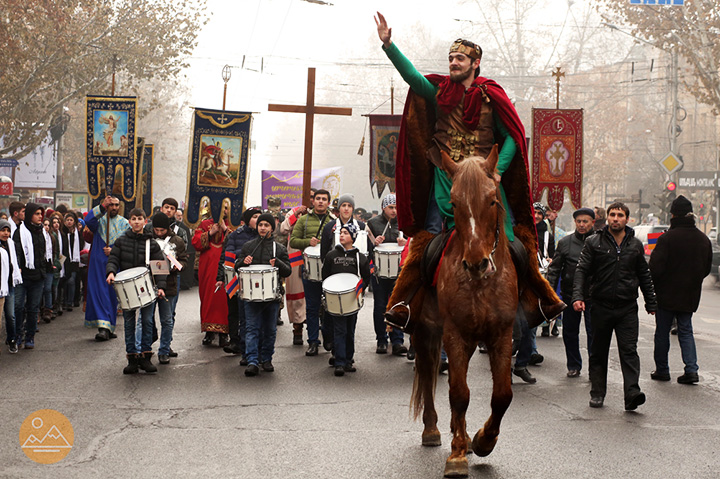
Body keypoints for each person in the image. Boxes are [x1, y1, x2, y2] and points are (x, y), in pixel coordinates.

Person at [375, 12, 564, 331]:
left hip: (486, 183)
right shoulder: (439, 92)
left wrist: (498, 171)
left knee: (515, 242)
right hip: (445, 181)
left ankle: (539, 298)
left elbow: (511, 139)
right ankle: (405, 303)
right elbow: (413, 78)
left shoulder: (492, 96)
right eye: (450, 58)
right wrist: (389, 45)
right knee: (426, 241)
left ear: (475, 63)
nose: (453, 62)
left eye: (459, 58)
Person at [572, 202, 656, 410]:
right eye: (612, 215)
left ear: (627, 219)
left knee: (629, 351)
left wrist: (650, 301)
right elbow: (581, 270)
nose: (615, 219)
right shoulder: (594, 242)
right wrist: (577, 296)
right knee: (598, 351)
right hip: (600, 305)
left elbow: (644, 274)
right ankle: (597, 393)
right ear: (607, 218)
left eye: (620, 215)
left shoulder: (635, 245)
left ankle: (632, 394)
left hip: (627, 307)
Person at [648, 196, 712, 385]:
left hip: (666, 294)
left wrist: (655, 288)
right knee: (686, 331)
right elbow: (706, 269)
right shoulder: (703, 239)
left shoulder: (667, 238)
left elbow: (655, 268)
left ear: (673, 215)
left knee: (662, 332)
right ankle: (691, 370)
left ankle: (662, 370)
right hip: (689, 294)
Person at [107, 208, 167, 374]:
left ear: (145, 221)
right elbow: (113, 258)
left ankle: (145, 357)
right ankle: (132, 358)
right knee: (128, 322)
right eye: (133, 219)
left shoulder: (151, 243)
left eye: (139, 218)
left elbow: (160, 266)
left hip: (145, 287)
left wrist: (161, 287)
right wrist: (111, 272)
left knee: (147, 321)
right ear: (129, 221)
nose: (136, 222)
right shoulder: (121, 241)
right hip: (126, 288)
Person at [237, 213, 291, 376]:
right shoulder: (248, 246)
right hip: (251, 296)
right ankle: (252, 361)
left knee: (269, 330)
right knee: (251, 328)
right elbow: (236, 266)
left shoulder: (279, 248)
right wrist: (242, 262)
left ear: (272, 229)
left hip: (271, 297)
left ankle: (266, 359)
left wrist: (278, 263)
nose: (263, 228)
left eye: (266, 225)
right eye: (260, 225)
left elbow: (288, 271)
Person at [547, 207, 596, 378]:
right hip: (569, 295)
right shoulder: (565, 243)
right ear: (575, 222)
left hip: (594, 296)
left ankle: (594, 368)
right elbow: (554, 270)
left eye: (585, 221)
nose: (582, 225)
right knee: (569, 333)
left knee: (594, 334)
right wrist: (551, 295)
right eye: (579, 221)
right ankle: (574, 365)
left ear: (592, 223)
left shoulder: (600, 242)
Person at [320, 193, 371, 349]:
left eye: (349, 206)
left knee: (349, 319)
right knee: (331, 314)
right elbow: (324, 253)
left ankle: (345, 354)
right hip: (335, 272)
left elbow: (368, 250)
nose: (346, 209)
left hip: (353, 275)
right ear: (339, 208)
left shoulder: (361, 227)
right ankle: (331, 342)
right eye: (343, 205)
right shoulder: (330, 226)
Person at [289, 188, 335, 356]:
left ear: (328, 202)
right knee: (312, 307)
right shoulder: (303, 221)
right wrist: (308, 241)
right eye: (318, 199)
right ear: (313, 201)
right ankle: (313, 341)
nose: (321, 201)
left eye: (324, 199)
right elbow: (293, 241)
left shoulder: (334, 221)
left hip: (330, 270)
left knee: (331, 306)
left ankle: (328, 336)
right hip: (309, 268)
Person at [322, 223, 372, 376]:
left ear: (353, 237)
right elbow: (325, 275)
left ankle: (348, 360)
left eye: (346, 233)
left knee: (350, 330)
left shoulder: (360, 257)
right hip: (336, 299)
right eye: (341, 232)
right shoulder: (331, 255)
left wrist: (359, 290)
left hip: (352, 299)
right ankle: (339, 361)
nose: (342, 235)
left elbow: (366, 278)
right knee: (339, 329)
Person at [366, 193, 409, 355]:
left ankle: (397, 341)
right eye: (391, 207)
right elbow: (366, 249)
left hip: (399, 272)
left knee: (398, 305)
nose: (394, 211)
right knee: (380, 306)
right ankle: (381, 340)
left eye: (397, 207)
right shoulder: (372, 224)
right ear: (384, 207)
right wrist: (374, 243)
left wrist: (405, 244)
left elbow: (412, 245)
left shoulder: (404, 224)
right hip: (379, 273)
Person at [215, 207, 260, 357]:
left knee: (249, 314)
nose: (258, 220)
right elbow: (226, 257)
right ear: (247, 220)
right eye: (254, 217)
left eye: (260, 217)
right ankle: (235, 341)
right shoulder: (235, 235)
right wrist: (220, 278)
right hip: (234, 277)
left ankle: (249, 343)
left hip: (255, 280)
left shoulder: (264, 235)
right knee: (234, 311)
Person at [85, 196, 130, 341]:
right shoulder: (99, 220)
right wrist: (102, 206)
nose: (114, 208)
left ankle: (110, 326)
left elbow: (129, 242)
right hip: (98, 263)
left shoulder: (124, 223)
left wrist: (115, 250)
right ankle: (103, 328)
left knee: (112, 295)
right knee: (100, 293)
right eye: (111, 205)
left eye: (117, 205)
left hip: (115, 263)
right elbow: (88, 221)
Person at [150, 212, 188, 365]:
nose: (159, 233)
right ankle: (145, 347)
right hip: (150, 284)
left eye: (162, 230)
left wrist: (176, 266)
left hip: (170, 284)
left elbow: (184, 261)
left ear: (167, 228)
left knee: (167, 319)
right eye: (156, 230)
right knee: (146, 319)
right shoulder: (148, 239)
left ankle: (164, 350)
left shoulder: (177, 241)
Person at [13, 202, 52, 349]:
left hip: (38, 277)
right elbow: (16, 252)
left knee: (33, 307)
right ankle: (17, 335)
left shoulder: (42, 232)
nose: (40, 216)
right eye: (37, 214)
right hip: (23, 276)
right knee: (18, 306)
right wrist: (18, 268)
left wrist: (45, 270)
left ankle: (30, 336)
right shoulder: (20, 232)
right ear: (30, 215)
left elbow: (44, 253)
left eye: (41, 214)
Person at [192, 207, 230, 346]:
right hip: (207, 267)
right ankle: (209, 331)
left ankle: (224, 333)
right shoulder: (204, 224)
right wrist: (210, 233)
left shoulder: (234, 224)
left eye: (225, 207)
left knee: (224, 299)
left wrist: (226, 230)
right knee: (208, 297)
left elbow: (238, 243)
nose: (223, 210)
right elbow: (196, 243)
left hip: (226, 265)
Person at [278, 203, 309, 345]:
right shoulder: (294, 211)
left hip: (314, 256)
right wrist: (296, 216)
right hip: (295, 256)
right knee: (296, 292)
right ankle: (297, 328)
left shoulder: (323, 212)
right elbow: (283, 229)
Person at [0, 219, 22, 353]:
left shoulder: (10, 244)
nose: (6, 233)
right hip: (0, 286)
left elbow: (14, 259)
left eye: (8, 230)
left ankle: (12, 339)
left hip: (9, 285)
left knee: (10, 315)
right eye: (3, 230)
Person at [60, 212, 84, 314]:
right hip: (65, 258)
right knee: (64, 280)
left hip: (74, 259)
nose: (69, 222)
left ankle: (70, 302)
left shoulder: (77, 233)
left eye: (71, 220)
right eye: (67, 220)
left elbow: (81, 244)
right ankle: (64, 301)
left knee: (72, 280)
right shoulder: (63, 232)